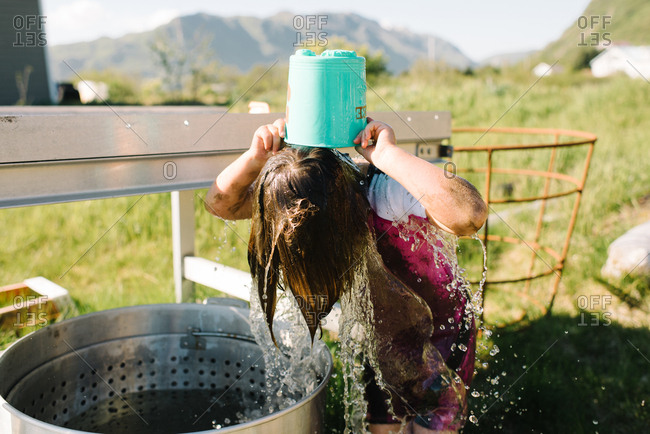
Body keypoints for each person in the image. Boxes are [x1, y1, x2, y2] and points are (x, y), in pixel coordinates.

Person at [205, 117, 488, 433]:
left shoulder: (383, 194)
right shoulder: (294, 201)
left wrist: (387, 156)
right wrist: (254, 159)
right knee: (382, 428)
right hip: (382, 334)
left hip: (440, 334)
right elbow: (221, 204)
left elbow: (470, 213)